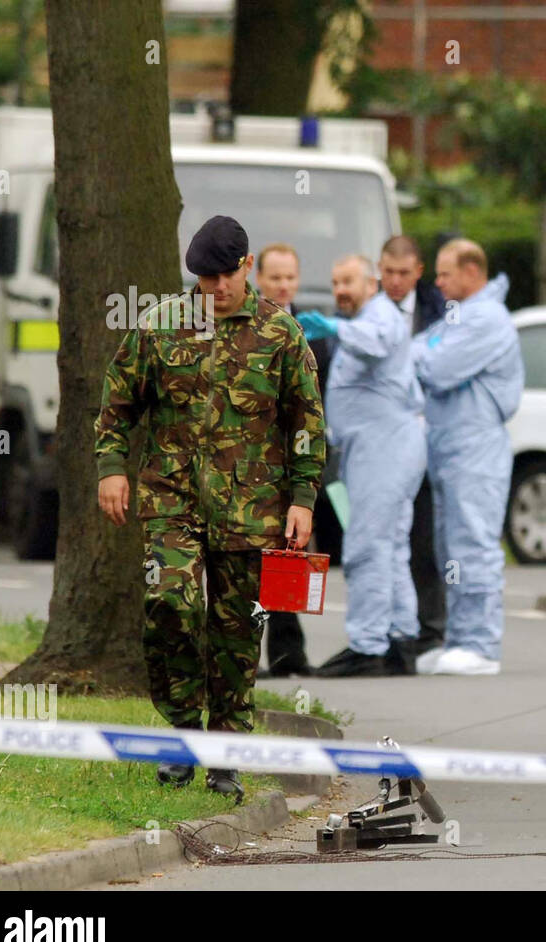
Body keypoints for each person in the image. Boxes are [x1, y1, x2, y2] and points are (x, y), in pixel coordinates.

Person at [95, 215, 325, 801]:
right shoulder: (161, 325)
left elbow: (307, 422)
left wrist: (302, 499)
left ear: (246, 267)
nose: (214, 287)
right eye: (203, 276)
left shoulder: (280, 333)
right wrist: (111, 469)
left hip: (254, 510)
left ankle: (225, 752)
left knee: (238, 631)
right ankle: (181, 736)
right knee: (168, 602)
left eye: (224, 274)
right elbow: (118, 405)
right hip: (172, 498)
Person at [297, 256, 426, 676]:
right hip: (376, 450)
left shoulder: (381, 315)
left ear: (371, 283)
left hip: (383, 450)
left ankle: (368, 645)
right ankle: (401, 640)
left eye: (349, 281)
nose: (340, 290)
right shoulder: (369, 316)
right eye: (335, 282)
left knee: (367, 546)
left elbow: (376, 342)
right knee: (390, 546)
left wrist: (336, 328)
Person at [411, 239, 524, 676]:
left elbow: (437, 368)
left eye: (444, 273)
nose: (437, 283)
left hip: (474, 446)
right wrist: (425, 356)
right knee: (450, 546)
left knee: (473, 542)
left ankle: (481, 643)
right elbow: (419, 349)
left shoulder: (488, 319)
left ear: (472, 271)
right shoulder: (462, 315)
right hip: (449, 444)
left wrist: (425, 358)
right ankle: (459, 638)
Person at [251, 244, 332, 678]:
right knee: (249, 558)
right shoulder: (247, 328)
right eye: (275, 277)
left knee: (291, 551)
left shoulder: (314, 333)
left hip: (297, 459)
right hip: (253, 461)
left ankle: (288, 653)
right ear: (258, 278)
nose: (283, 285)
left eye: (289, 278)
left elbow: (321, 407)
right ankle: (246, 653)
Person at [379, 235, 447, 657]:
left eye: (404, 273)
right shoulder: (367, 310)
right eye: (388, 272)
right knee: (383, 541)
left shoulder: (438, 313)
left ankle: (431, 628)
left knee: (425, 539)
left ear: (418, 272)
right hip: (382, 445)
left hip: (425, 443)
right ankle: (390, 629)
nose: (396, 281)